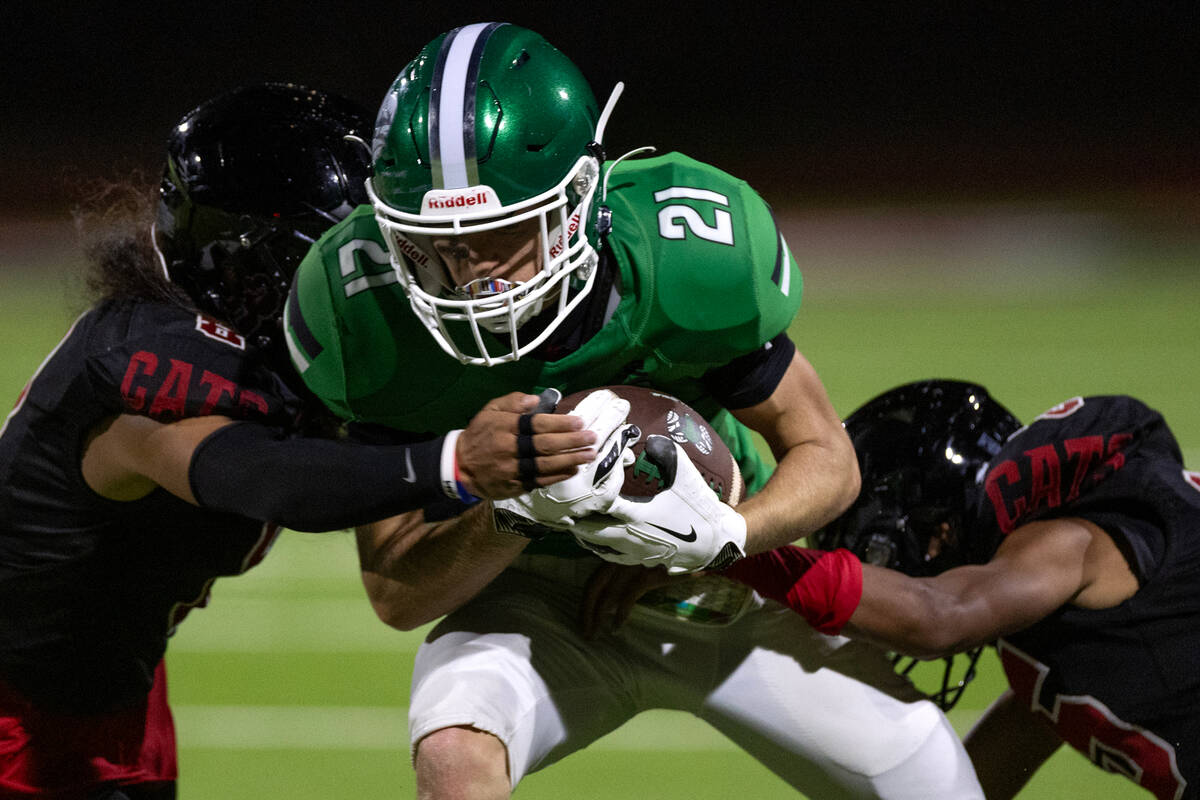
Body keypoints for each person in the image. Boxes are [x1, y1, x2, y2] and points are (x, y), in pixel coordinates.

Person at [286, 22, 984, 799]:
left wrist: (724, 536)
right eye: (435, 243)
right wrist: (515, 508)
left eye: (500, 234)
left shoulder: (687, 252)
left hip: (734, 579)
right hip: (533, 598)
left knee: (936, 784)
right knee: (455, 760)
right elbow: (397, 594)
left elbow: (826, 456)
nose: (470, 277)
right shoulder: (365, 315)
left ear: (581, 198)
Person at [0, 82, 605, 800]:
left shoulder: (258, 342)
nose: (385, 269)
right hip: (24, 724)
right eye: (353, 249)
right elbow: (259, 474)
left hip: (110, 688)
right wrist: (457, 461)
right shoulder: (146, 375)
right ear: (252, 262)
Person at [703, 379, 1199, 800]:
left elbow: (941, 616)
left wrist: (730, 550)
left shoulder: (1065, 543)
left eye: (880, 559)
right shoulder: (1053, 660)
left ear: (938, 529)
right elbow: (968, 787)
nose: (889, 579)